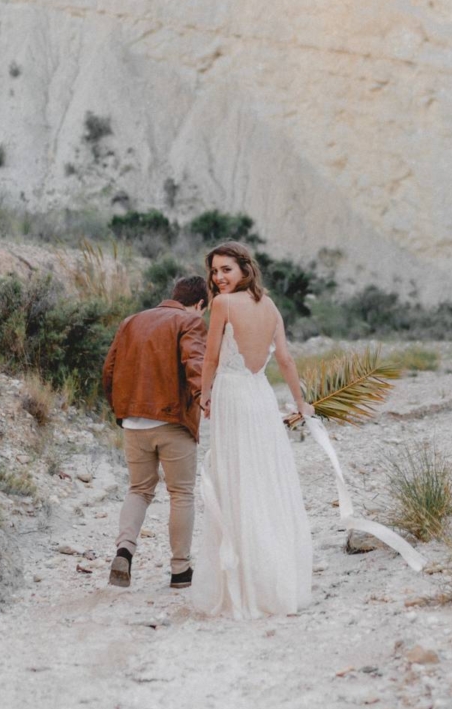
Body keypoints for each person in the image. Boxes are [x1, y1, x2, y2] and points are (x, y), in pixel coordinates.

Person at [193, 241, 314, 619]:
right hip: (260, 396)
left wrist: (204, 396)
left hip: (233, 395)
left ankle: (246, 585)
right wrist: (300, 402)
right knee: (263, 478)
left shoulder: (223, 305)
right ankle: (273, 579)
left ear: (246, 269)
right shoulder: (271, 305)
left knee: (239, 480)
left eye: (226, 269)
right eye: (214, 271)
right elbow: (285, 359)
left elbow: (211, 357)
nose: (218, 277)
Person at [101, 274, 208, 590]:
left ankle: (124, 551)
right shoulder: (189, 322)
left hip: (133, 422)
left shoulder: (132, 321)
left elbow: (109, 370)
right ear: (200, 304)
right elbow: (195, 364)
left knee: (139, 489)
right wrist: (206, 400)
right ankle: (180, 570)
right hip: (173, 422)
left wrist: (123, 409)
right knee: (181, 493)